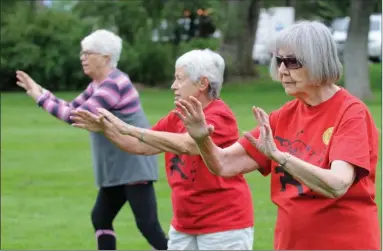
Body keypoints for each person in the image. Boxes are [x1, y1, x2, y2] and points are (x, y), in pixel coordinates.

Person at [172, 21, 380, 250]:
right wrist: (202, 139)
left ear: (318, 61)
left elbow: (338, 184)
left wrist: (281, 157)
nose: (282, 70)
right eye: (279, 61)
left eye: (292, 62)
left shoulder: (351, 113)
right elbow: (224, 163)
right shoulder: (284, 116)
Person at [71, 49, 255, 250]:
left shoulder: (219, 116)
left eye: (179, 79)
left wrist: (130, 128)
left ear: (202, 83)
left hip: (224, 226)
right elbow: (139, 146)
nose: (173, 86)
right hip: (184, 225)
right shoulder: (177, 116)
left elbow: (189, 144)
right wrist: (106, 129)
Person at [15, 29, 168, 250]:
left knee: (148, 225)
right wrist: (40, 91)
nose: (82, 57)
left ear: (106, 58)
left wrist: (39, 97)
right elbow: (71, 107)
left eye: (88, 53)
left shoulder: (114, 84)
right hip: (117, 167)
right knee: (101, 217)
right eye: (82, 53)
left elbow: (75, 117)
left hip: (134, 165)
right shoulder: (98, 85)